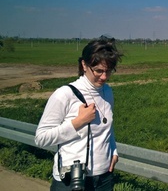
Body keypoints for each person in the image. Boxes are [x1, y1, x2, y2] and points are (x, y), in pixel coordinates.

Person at [35, 36, 123, 191]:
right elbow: (41, 138)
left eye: (108, 71)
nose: (104, 77)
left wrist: (113, 151)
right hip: (71, 180)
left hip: (104, 178)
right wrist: (77, 123)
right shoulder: (65, 94)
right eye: (98, 71)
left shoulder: (107, 92)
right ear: (84, 64)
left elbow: (107, 126)